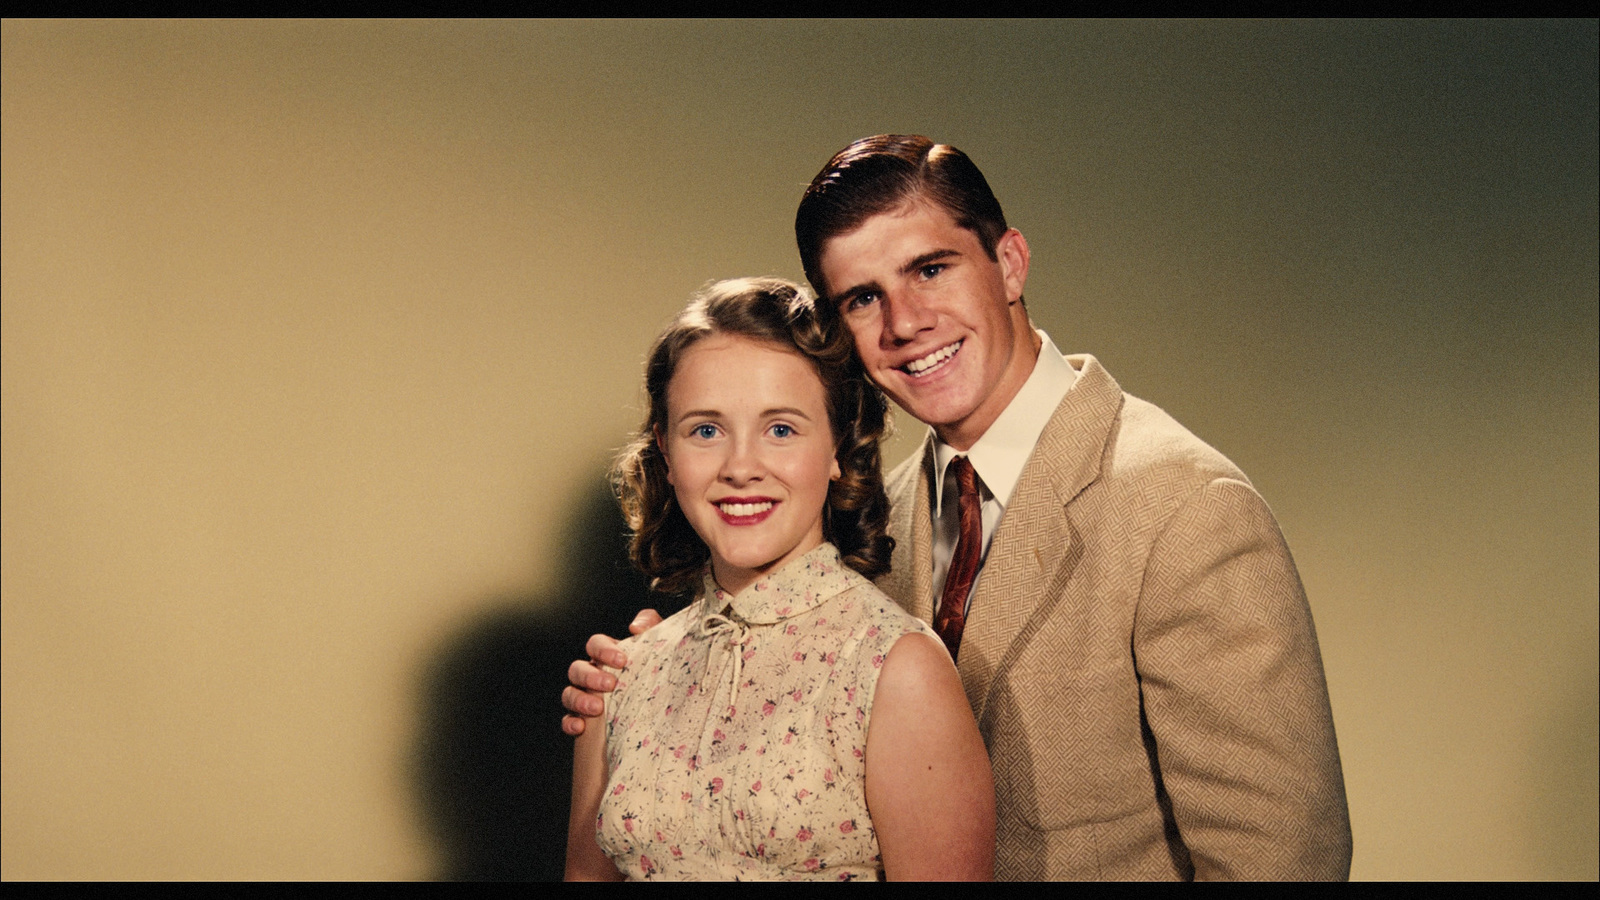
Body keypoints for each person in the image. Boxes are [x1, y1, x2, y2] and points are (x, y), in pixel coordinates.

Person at [566, 136, 1352, 880]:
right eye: (864, 298)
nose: (906, 323)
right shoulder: (879, 514)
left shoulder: (1185, 508)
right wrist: (659, 676)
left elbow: (1280, 859)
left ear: (1009, 263)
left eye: (931, 270)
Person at [563, 277, 994, 881]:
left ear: (838, 446)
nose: (741, 468)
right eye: (705, 430)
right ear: (665, 448)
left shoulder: (896, 669)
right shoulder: (622, 677)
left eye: (781, 429)